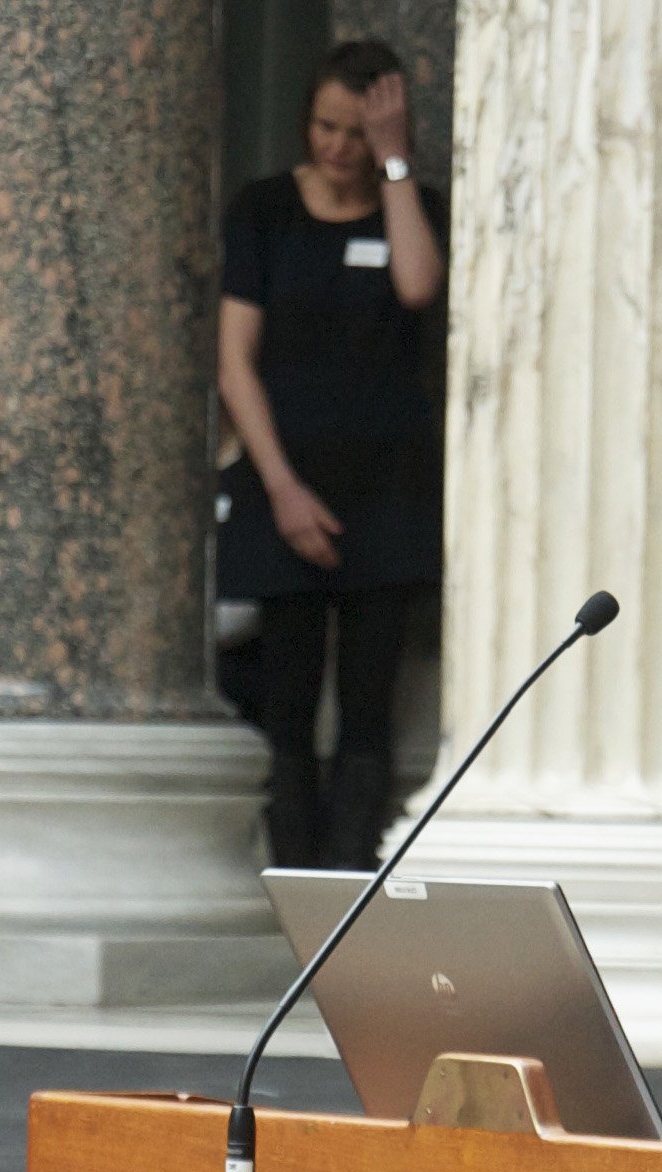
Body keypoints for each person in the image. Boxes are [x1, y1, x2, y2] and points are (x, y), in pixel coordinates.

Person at [217, 40, 447, 870]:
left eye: (357, 132)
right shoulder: (264, 209)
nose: (337, 148)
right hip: (284, 482)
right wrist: (279, 486)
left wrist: (394, 169)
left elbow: (417, 286)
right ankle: (291, 892)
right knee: (282, 706)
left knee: (367, 710)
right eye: (325, 127)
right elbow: (232, 359)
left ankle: (351, 898)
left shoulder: (413, 204)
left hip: (388, 493)